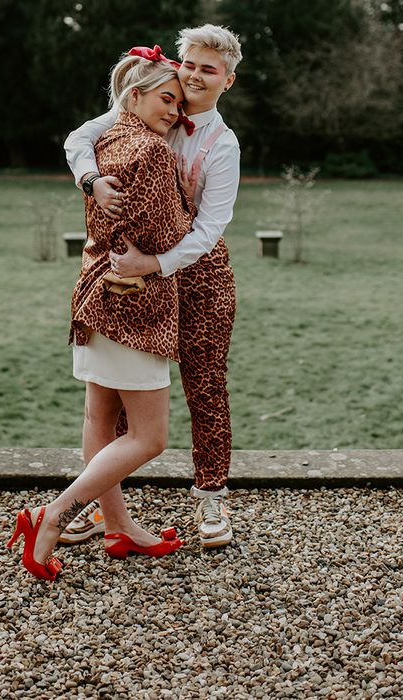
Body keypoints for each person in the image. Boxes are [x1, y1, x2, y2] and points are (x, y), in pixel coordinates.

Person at [7, 49, 195, 580]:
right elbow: (169, 233)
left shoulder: (105, 141)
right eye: (167, 99)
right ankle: (55, 513)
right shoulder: (153, 152)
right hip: (136, 309)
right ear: (133, 96)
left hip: (94, 298)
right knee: (150, 437)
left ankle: (119, 527)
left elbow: (86, 157)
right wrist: (187, 211)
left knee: (99, 421)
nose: (174, 113)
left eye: (179, 105)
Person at [62, 25, 242, 549]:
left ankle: (212, 498)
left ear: (227, 81)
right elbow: (80, 138)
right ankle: (104, 506)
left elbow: (210, 230)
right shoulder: (151, 100)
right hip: (138, 277)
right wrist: (91, 181)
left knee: (205, 387)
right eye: (191, 64)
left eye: (209, 69)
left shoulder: (222, 144)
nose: (195, 76)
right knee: (121, 394)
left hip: (200, 277)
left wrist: (153, 263)